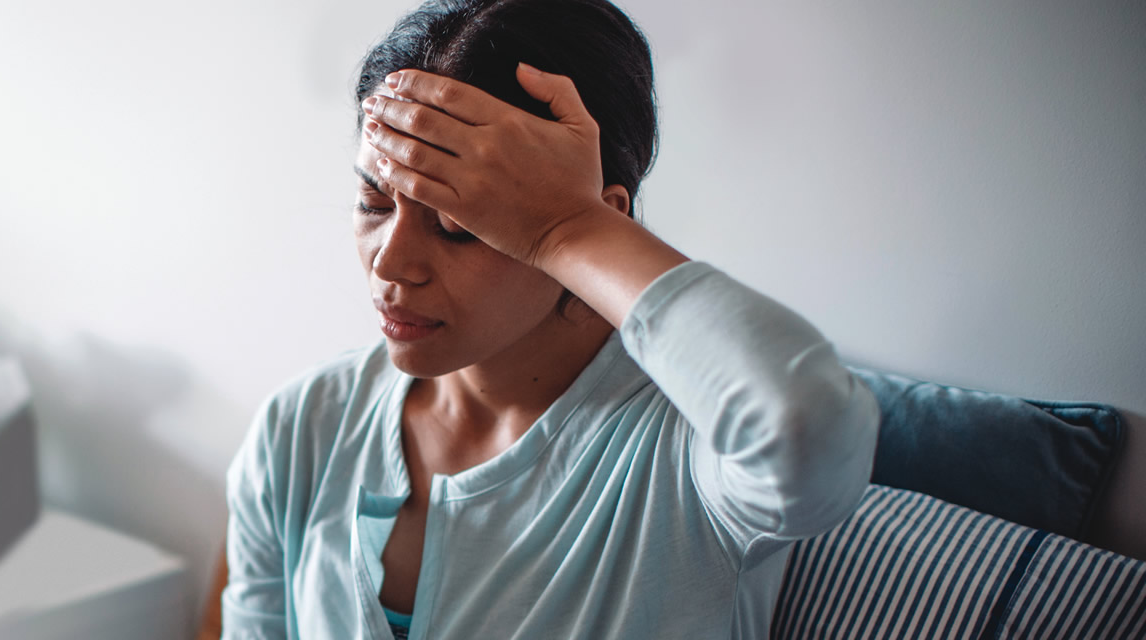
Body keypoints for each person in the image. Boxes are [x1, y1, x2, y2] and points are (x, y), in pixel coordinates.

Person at [219, 0, 880, 638]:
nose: (390, 264)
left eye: (458, 224)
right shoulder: (302, 428)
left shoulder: (687, 455)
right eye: (374, 203)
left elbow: (810, 430)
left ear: (599, 221)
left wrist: (572, 227)